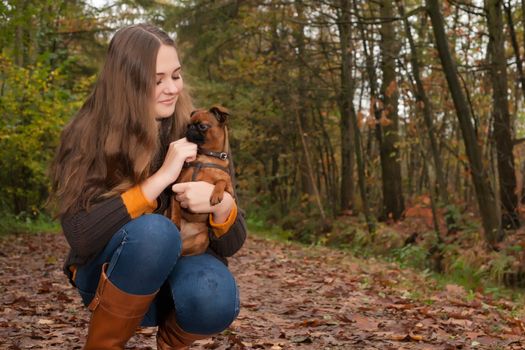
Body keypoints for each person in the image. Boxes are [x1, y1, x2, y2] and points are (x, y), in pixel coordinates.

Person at [49, 23, 246, 350]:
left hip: (176, 278)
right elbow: (80, 235)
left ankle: (170, 343)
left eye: (176, 75)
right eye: (157, 80)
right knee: (156, 231)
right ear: (127, 83)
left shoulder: (194, 130)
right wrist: (161, 178)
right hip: (111, 275)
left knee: (214, 297)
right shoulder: (87, 135)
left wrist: (221, 206)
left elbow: (232, 245)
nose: (173, 88)